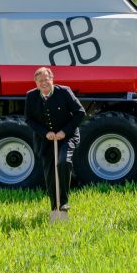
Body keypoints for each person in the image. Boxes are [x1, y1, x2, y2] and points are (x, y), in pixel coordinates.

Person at [25, 67, 85, 212]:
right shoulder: (31, 96)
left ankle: (63, 202)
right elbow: (29, 119)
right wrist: (45, 133)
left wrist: (64, 131)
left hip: (67, 136)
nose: (44, 83)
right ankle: (54, 207)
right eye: (40, 81)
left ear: (52, 79)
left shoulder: (64, 92)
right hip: (45, 139)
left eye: (46, 79)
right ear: (36, 83)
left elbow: (80, 113)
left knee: (63, 161)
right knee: (50, 173)